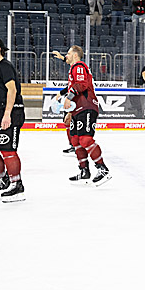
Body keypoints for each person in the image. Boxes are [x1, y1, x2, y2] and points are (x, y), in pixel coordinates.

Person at [53, 45, 110, 186]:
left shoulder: (78, 66)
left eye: (68, 54)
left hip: (87, 106)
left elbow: (82, 84)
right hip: (78, 109)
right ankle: (84, 171)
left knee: (85, 139)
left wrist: (68, 98)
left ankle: (102, 169)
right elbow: (74, 85)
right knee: (75, 140)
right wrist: (70, 112)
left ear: (75, 55)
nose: (66, 56)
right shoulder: (74, 68)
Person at [0, 38, 26, 202]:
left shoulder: (5, 66)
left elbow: (12, 90)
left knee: (7, 149)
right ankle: (3, 180)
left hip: (11, 112)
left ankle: (17, 186)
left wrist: (7, 113)